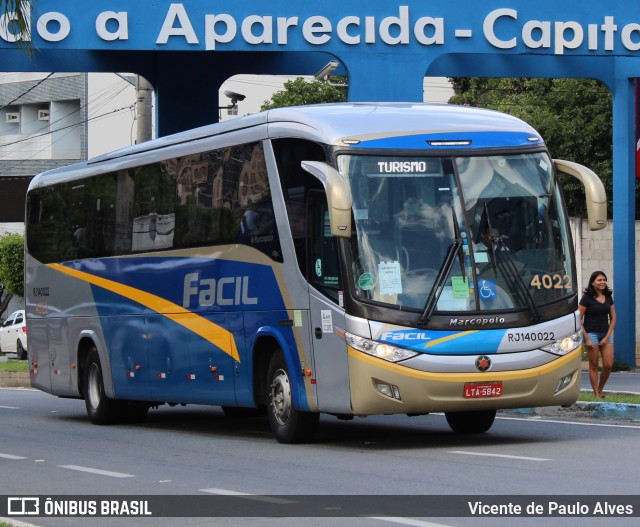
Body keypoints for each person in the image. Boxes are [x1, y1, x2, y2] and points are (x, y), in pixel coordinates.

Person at [579, 271, 616, 398]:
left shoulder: (608, 297)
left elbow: (613, 318)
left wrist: (607, 337)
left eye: (604, 280)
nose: (602, 282)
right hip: (591, 334)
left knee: (608, 364)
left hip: (605, 334)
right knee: (593, 364)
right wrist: (587, 339)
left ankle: (600, 389)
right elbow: (578, 320)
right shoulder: (586, 298)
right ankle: (596, 393)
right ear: (593, 282)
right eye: (599, 280)